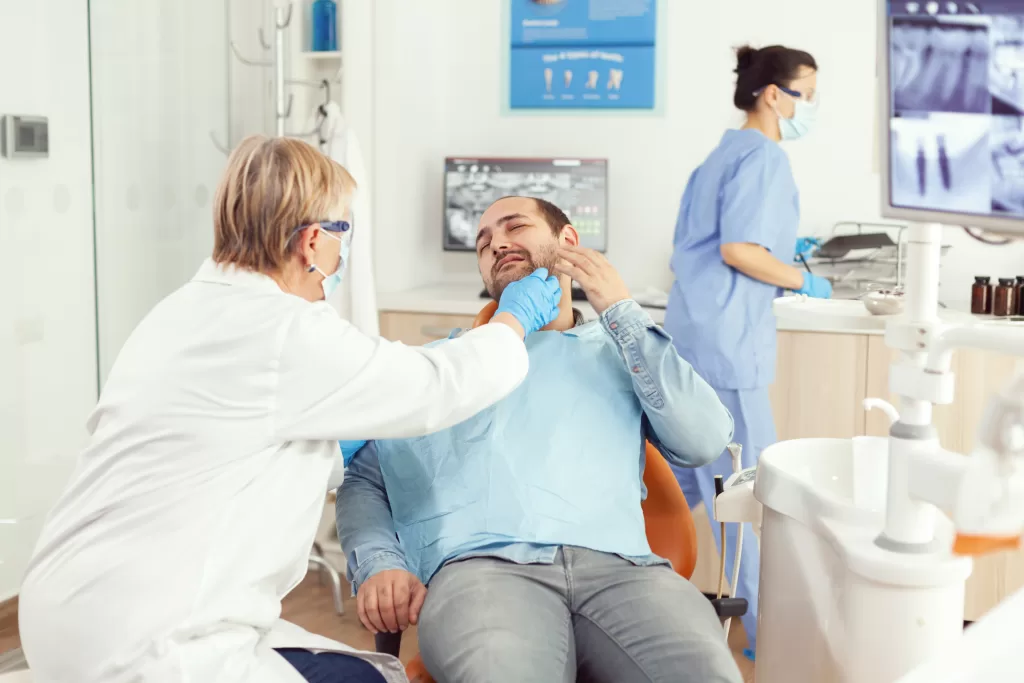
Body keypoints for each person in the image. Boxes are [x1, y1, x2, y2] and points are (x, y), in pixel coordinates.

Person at [17, 136, 563, 683]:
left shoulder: (181, 310)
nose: (342, 254)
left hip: (64, 610)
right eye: (342, 234)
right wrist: (511, 322)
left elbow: (241, 443)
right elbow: (441, 386)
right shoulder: (287, 331)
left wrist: (338, 451)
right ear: (312, 242)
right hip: (150, 637)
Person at [337, 196, 743, 683]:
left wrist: (622, 312)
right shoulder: (443, 366)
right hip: (482, 573)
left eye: (514, 227)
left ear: (568, 241)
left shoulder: (622, 352)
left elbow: (703, 439)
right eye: (484, 243)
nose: (496, 243)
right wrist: (380, 563)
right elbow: (363, 477)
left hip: (625, 572)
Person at [663, 44, 834, 660]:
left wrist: (781, 254)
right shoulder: (763, 159)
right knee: (750, 495)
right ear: (773, 94)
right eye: (806, 93)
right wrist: (800, 275)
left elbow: (707, 246)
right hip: (727, 348)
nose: (810, 105)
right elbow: (740, 250)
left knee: (674, 489)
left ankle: (622, 610)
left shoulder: (720, 155)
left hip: (692, 335)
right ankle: (772, 636)